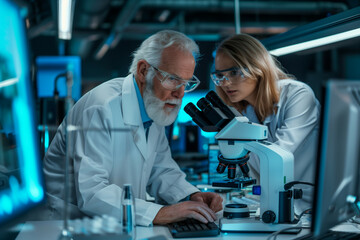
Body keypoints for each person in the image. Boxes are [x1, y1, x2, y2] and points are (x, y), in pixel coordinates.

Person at [42, 30, 223, 226]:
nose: (179, 93)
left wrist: (191, 195)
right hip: (67, 223)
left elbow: (161, 170)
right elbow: (92, 192)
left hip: (117, 223)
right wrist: (160, 213)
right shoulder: (101, 107)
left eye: (186, 83)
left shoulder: (153, 107)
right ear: (144, 70)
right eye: (173, 79)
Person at [211, 33, 320, 213]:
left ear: (257, 67)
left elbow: (277, 158)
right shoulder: (246, 112)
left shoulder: (298, 95)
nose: (226, 83)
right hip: (276, 203)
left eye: (234, 72)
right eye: (220, 75)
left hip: (313, 206)